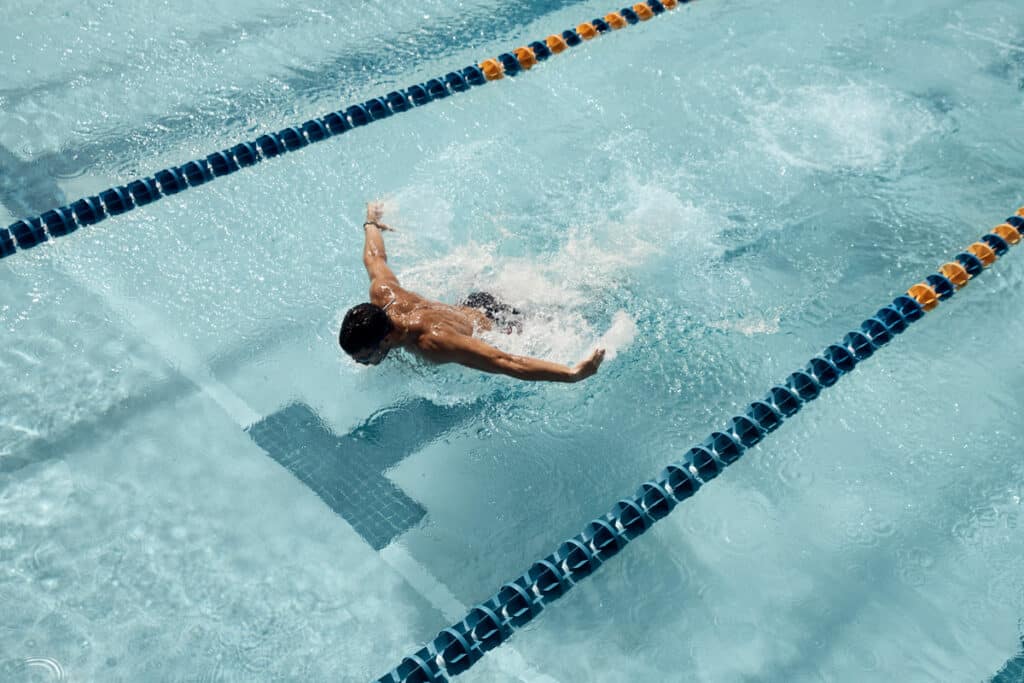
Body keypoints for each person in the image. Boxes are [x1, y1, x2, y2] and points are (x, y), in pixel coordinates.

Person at [339, 202, 605, 383]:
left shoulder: (432, 343)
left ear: (385, 340)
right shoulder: (384, 295)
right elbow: (375, 258)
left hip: (498, 324)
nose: (361, 364)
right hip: (471, 303)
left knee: (566, 314)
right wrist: (370, 222)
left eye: (364, 358)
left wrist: (572, 373)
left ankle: (600, 289)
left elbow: (504, 360)